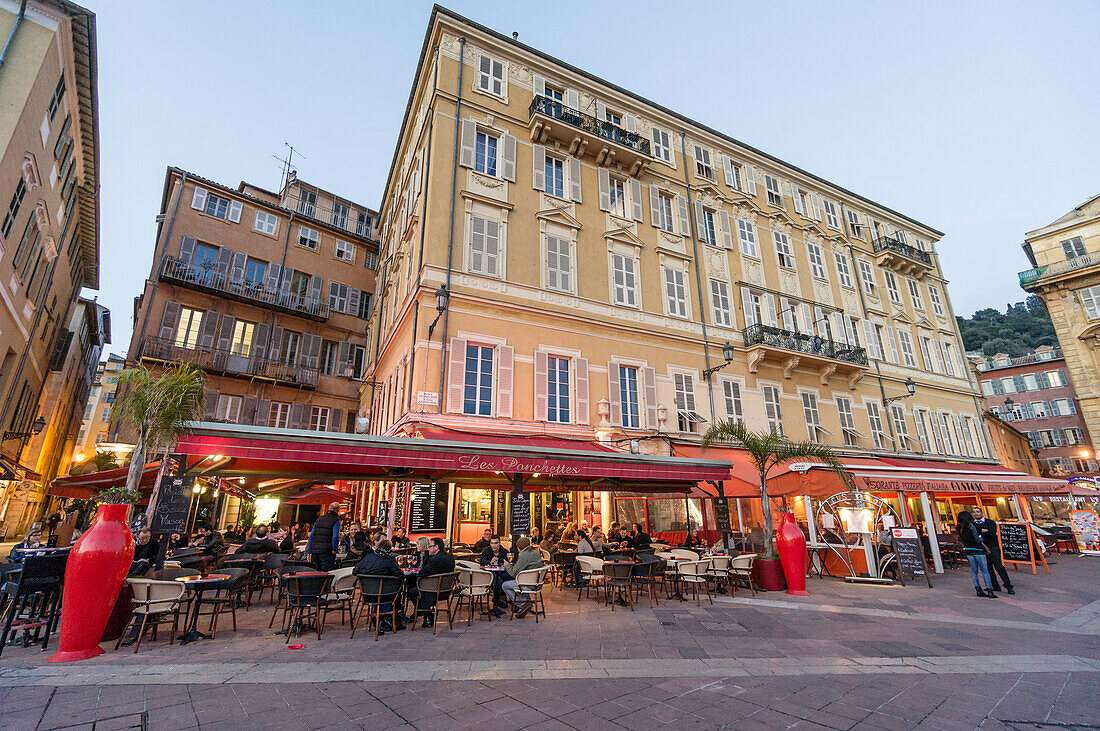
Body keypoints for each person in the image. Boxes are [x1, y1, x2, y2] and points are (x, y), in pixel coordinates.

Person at [353, 539, 406, 633]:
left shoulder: (368, 557)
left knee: (386, 591)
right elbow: (400, 575)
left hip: (367, 594)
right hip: (385, 595)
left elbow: (355, 571)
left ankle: (380, 618)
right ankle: (386, 619)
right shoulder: (388, 559)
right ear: (390, 549)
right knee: (396, 591)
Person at [412, 537, 455, 627]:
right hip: (446, 590)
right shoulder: (450, 557)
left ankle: (427, 613)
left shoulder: (434, 560)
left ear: (436, 547)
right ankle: (428, 613)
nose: (428, 549)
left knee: (412, 592)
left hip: (433, 590)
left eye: (430, 546)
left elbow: (421, 573)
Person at [973, 508, 1015, 594]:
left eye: (977, 511)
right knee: (988, 567)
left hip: (993, 546)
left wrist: (979, 532)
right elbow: (973, 533)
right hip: (982, 548)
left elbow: (991, 533)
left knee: (998, 565)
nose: (976, 513)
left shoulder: (990, 522)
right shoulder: (973, 524)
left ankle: (1008, 585)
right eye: (974, 512)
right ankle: (994, 585)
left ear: (982, 513)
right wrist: (982, 531)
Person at [957, 510, 997, 599]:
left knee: (974, 571)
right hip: (977, 549)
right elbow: (977, 539)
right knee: (984, 570)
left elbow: (960, 539)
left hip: (968, 549)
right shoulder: (971, 527)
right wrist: (982, 543)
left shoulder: (959, 528)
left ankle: (978, 588)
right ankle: (990, 590)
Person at [501, 537, 543, 618]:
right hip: (538, 584)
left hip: (528, 585)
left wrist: (507, 565)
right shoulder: (536, 553)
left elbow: (513, 573)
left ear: (519, 547)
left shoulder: (523, 555)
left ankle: (523, 604)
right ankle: (525, 603)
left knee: (505, 585)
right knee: (515, 582)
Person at [478, 535, 511, 614]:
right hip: (489, 574)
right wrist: (490, 561)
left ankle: (501, 600)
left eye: (496, 543)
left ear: (499, 543)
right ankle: (497, 601)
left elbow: (507, 562)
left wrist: (498, 560)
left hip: (501, 572)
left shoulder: (504, 551)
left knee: (508, 578)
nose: (494, 545)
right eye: (492, 543)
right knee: (498, 580)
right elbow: (482, 561)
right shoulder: (486, 550)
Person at [307, 503, 342, 571]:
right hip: (326, 551)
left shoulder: (319, 519)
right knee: (326, 573)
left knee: (315, 572)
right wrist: (334, 549)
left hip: (315, 550)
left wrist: (309, 551)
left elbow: (311, 536)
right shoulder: (336, 520)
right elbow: (335, 537)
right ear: (338, 510)